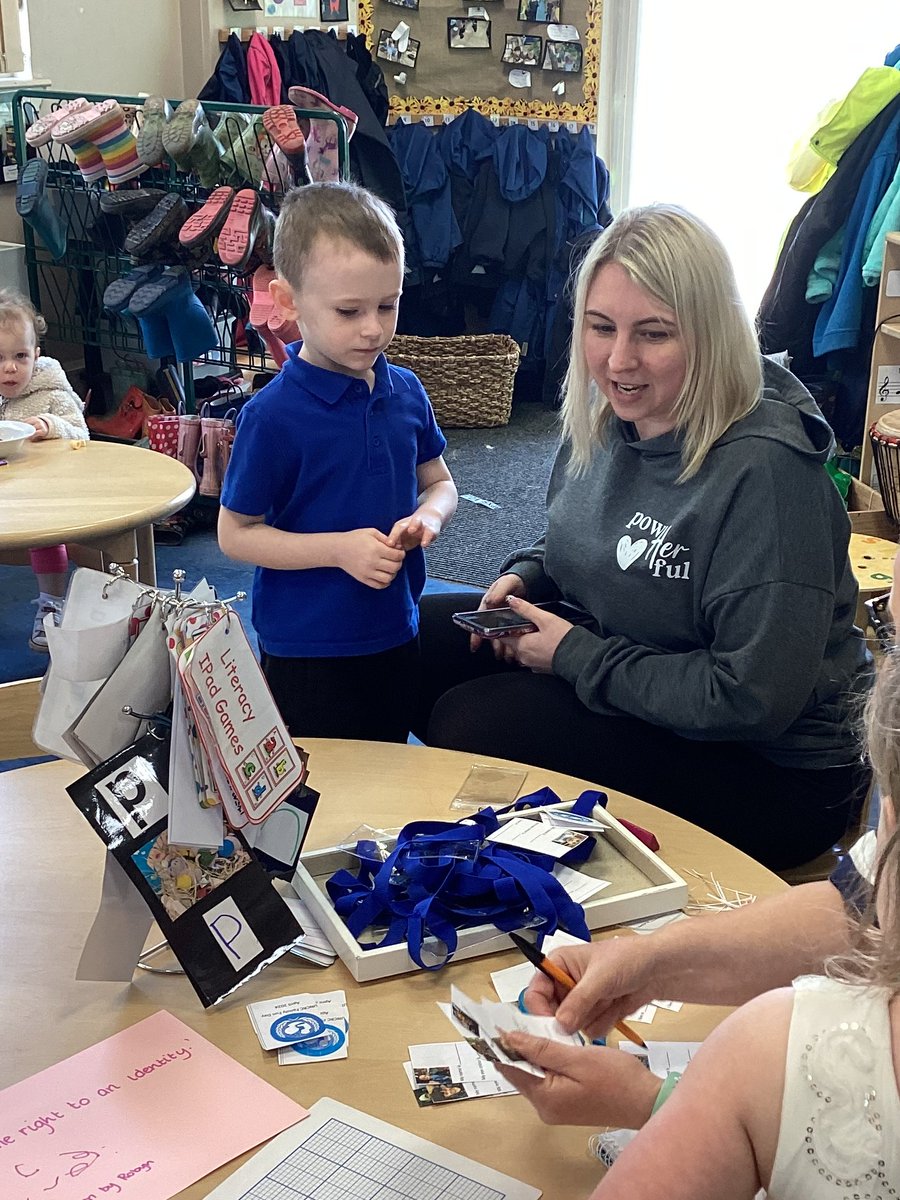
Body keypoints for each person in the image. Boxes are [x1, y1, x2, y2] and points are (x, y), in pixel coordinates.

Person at [412, 203, 870, 870]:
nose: (619, 360)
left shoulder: (768, 474)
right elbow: (586, 530)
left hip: (774, 769)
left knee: (473, 722)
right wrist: (530, 574)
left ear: (710, 335)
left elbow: (750, 698)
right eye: (601, 327)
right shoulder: (609, 409)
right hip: (633, 655)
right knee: (411, 637)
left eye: (653, 334)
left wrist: (574, 658)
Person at [494, 644, 899, 1198]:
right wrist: (649, 960)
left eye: (884, 625)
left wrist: (664, 1103)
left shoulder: (781, 1050)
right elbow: (857, 906)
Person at [218, 181, 457, 742]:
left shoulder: (406, 392)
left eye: (387, 304)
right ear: (287, 301)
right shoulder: (272, 417)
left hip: (396, 627)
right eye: (349, 311)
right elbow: (235, 534)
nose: (373, 328)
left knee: (388, 768)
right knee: (319, 791)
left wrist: (431, 517)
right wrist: (339, 550)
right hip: (307, 647)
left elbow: (440, 482)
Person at [0, 290, 88, 651]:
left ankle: (51, 602)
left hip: (43, 497)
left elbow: (79, 431)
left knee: (46, 538)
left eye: (20, 356)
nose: (10, 368)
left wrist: (50, 425)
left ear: (36, 355)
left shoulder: (51, 391)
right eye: (0, 358)